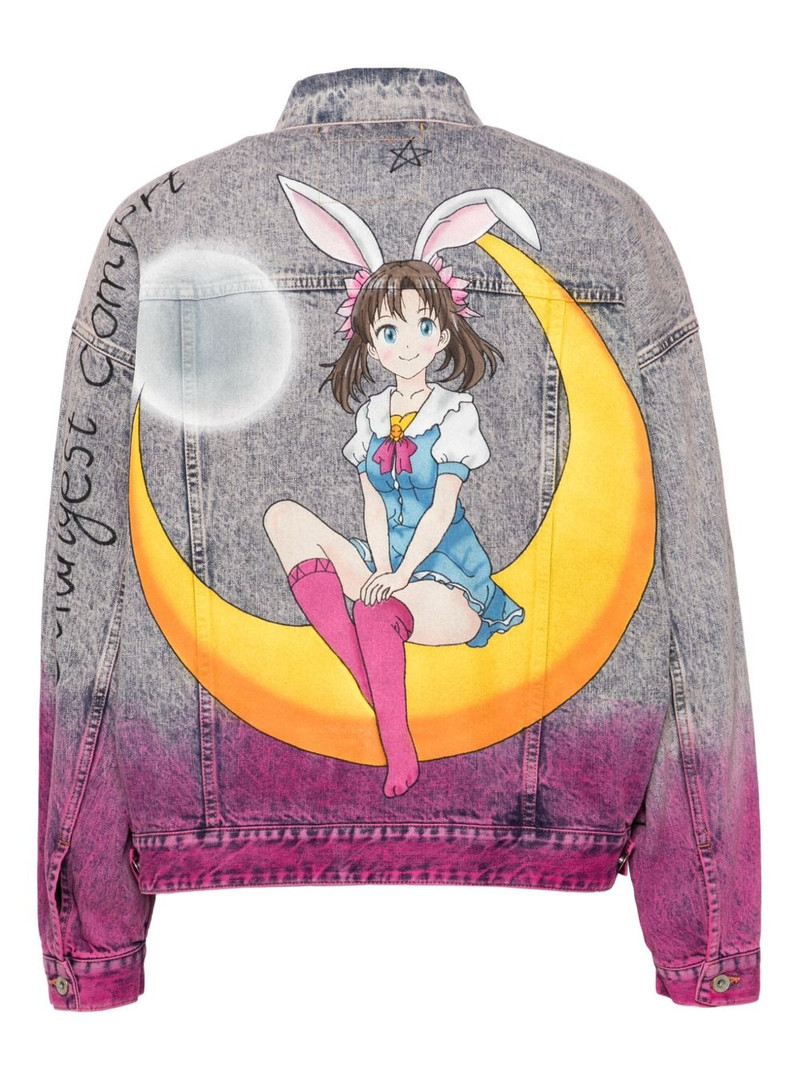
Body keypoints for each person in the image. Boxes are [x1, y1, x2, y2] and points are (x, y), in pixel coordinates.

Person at [264, 176, 540, 798]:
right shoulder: (371, 415)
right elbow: (370, 501)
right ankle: (376, 687)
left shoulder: (453, 412)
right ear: (370, 342)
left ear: (443, 332)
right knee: (283, 517)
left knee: (375, 607)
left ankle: (397, 742)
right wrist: (382, 567)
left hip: (446, 577)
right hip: (388, 561)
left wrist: (401, 575)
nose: (407, 343)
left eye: (422, 326)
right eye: (390, 332)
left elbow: (442, 510)